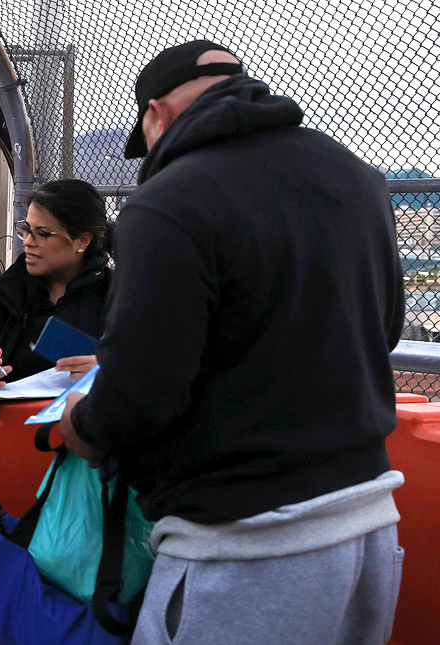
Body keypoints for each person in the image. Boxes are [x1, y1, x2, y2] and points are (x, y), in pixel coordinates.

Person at [60, 41, 405, 644]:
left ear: (156, 115)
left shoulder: (167, 202)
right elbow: (385, 329)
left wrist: (80, 424)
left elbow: (140, 395)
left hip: (244, 546)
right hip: (370, 524)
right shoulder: (358, 178)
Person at [0, 179, 112, 394]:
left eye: (42, 233)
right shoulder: (1, 291)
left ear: (82, 241)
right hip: (2, 424)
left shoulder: (120, 299)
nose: (27, 240)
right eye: (26, 229)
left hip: (80, 424)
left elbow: (153, 373)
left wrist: (110, 371)